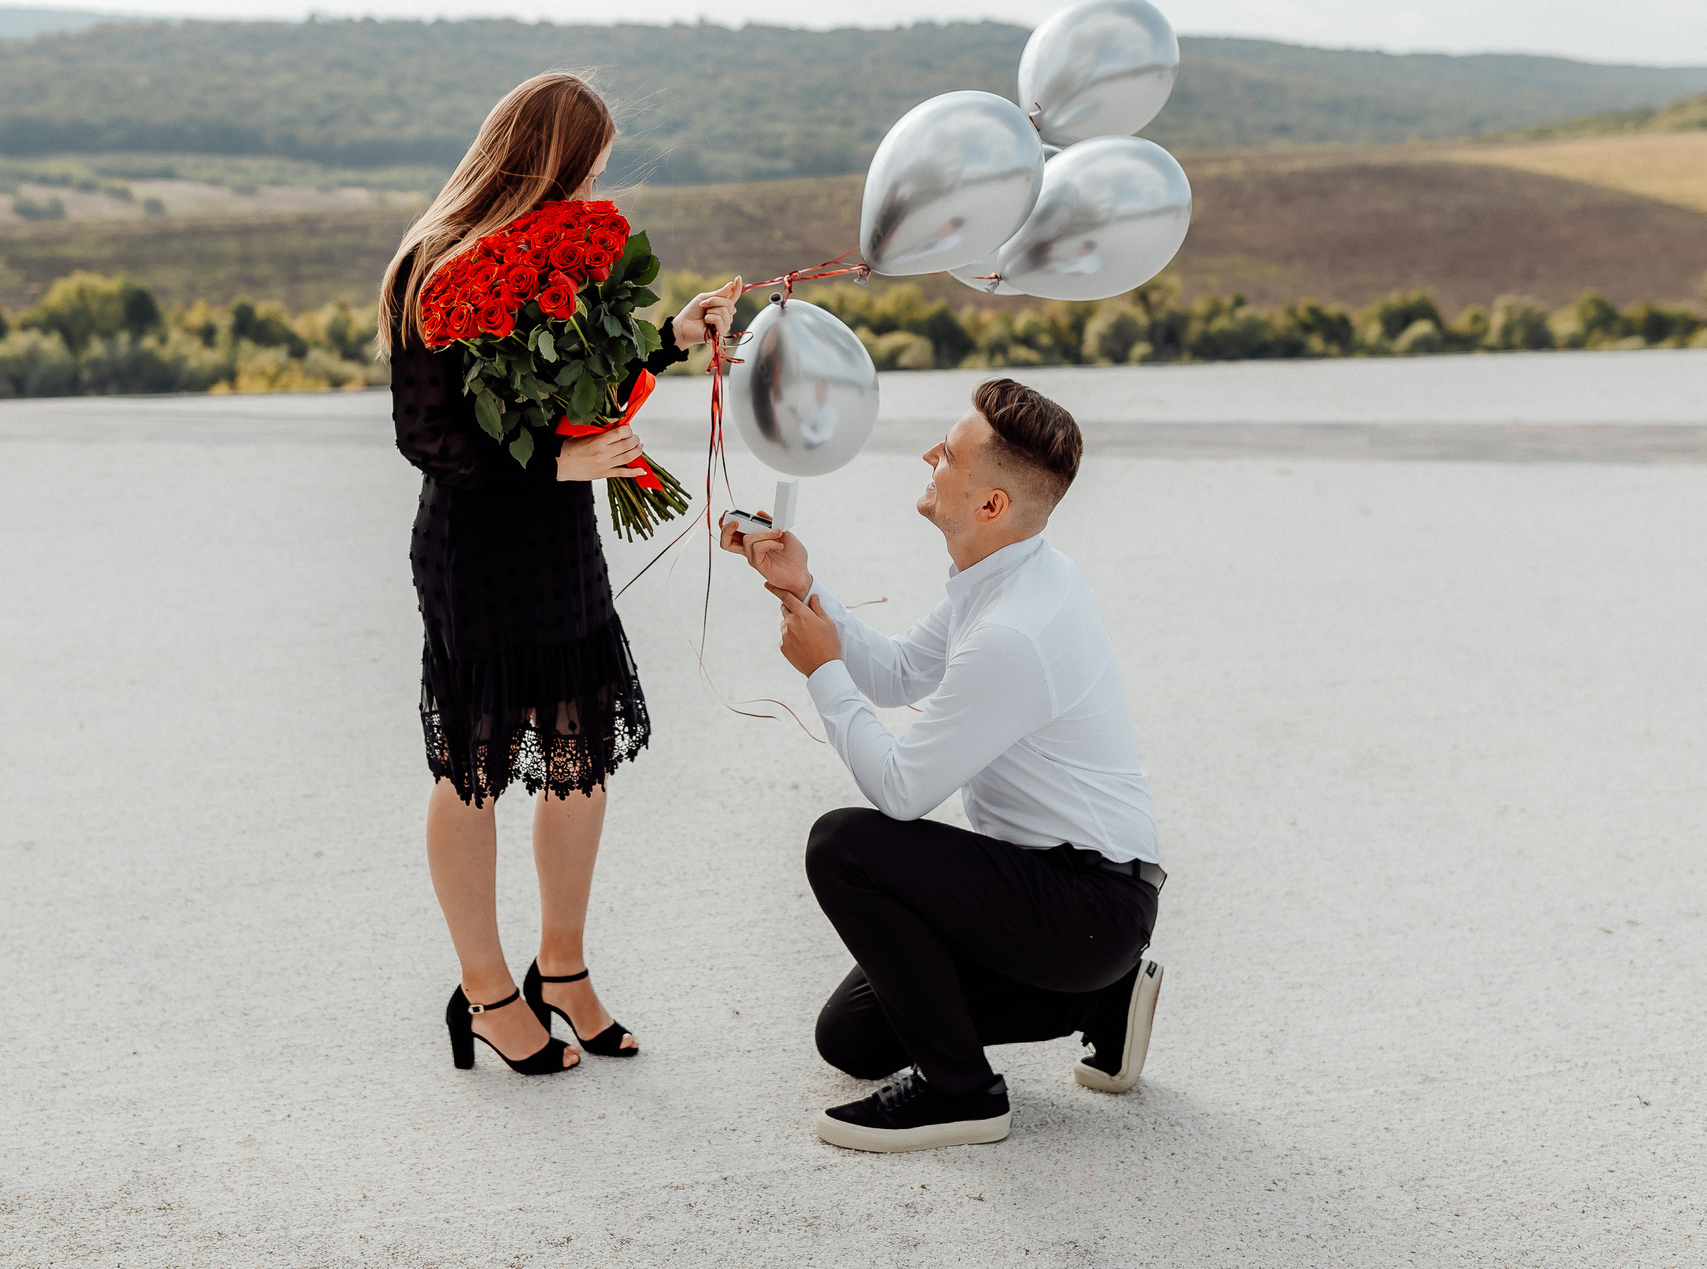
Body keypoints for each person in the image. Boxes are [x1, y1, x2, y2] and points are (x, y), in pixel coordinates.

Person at [382, 72, 740, 1077]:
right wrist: (554, 462)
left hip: (559, 542)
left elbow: (589, 375)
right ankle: (486, 991)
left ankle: (564, 972)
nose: (593, 188)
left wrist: (670, 338)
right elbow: (426, 437)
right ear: (545, 159)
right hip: (477, 549)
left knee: (579, 754)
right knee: (477, 763)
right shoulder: (427, 264)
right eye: (587, 168)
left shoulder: (564, 249)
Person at [723, 377, 1165, 1150]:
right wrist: (804, 586)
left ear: (991, 504)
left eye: (951, 452)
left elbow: (902, 790)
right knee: (850, 1039)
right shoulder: (1005, 572)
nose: (930, 453)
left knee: (843, 844)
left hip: (1084, 904)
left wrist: (823, 671)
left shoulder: (1015, 630)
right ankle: (1103, 998)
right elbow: (899, 673)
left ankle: (964, 1094)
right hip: (1056, 895)